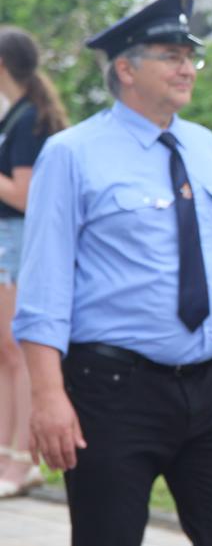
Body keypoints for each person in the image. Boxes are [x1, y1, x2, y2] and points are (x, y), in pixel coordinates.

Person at [13, 0, 212, 546]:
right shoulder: (72, 153)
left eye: (190, 55)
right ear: (125, 68)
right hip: (112, 392)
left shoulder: (207, 148)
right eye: (170, 54)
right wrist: (49, 398)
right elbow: (44, 288)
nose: (185, 67)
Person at [0, 27, 69, 498]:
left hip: (18, 240)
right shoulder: (18, 117)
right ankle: (8, 454)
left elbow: (24, 196)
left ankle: (22, 462)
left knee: (17, 352)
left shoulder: (29, 121)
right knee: (5, 355)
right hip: (8, 240)